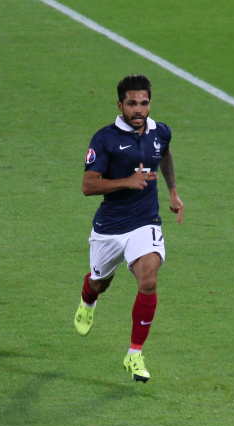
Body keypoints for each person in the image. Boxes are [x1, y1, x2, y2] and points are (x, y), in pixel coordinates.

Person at [73, 74, 184, 383]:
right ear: (120, 105)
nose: (139, 110)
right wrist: (127, 181)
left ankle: (134, 353)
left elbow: (164, 154)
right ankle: (88, 300)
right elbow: (87, 185)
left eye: (144, 103)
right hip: (110, 228)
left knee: (148, 280)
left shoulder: (159, 132)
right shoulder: (105, 139)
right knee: (99, 283)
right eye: (132, 104)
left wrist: (173, 191)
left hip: (145, 223)